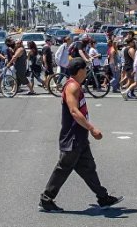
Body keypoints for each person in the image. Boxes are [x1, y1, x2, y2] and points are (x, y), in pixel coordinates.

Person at [39, 58, 122, 213]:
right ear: (79, 70)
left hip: (79, 136)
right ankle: (46, 199)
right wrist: (92, 128)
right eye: (85, 68)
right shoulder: (72, 86)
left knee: (88, 168)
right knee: (63, 168)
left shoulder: (76, 85)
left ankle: (103, 197)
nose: (87, 71)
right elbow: (74, 111)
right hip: (72, 137)